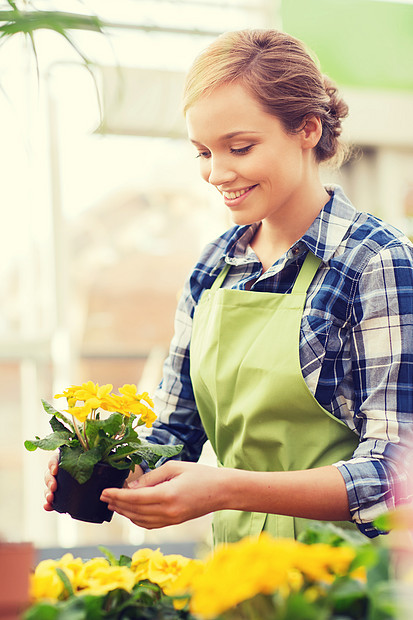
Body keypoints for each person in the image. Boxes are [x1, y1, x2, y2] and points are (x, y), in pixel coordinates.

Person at [45, 29, 413, 543]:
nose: (217, 173)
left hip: (349, 585)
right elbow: (174, 434)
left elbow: (395, 478)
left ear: (307, 129)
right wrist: (102, 463)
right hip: (237, 578)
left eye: (239, 147)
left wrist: (226, 489)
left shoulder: (375, 262)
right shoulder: (215, 264)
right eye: (202, 152)